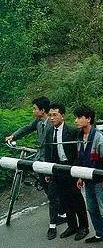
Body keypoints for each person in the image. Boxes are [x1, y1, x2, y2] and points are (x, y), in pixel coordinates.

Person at [4, 96, 66, 240]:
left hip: (49, 162)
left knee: (51, 192)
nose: (33, 111)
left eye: (34, 109)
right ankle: (62, 211)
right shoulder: (38, 122)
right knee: (47, 189)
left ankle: (53, 225)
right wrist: (13, 136)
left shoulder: (52, 124)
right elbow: (27, 128)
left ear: (42, 110)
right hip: (39, 160)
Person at [74, 105, 103, 248]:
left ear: (88, 119)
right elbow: (81, 160)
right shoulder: (80, 136)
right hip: (87, 180)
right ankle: (100, 234)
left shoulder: (99, 137)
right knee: (92, 209)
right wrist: (80, 177)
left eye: (79, 117)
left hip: (100, 180)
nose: (76, 120)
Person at [44, 103, 90, 240]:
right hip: (57, 169)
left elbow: (79, 152)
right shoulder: (49, 132)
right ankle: (72, 225)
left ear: (62, 116)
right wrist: (48, 171)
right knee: (64, 198)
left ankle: (84, 227)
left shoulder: (72, 131)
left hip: (71, 168)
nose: (52, 118)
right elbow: (48, 152)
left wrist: (78, 171)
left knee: (76, 198)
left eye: (55, 115)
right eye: (50, 115)